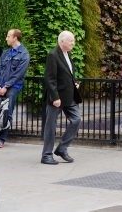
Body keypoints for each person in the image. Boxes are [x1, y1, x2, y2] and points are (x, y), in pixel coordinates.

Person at [0, 28, 30, 148]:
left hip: (12, 87)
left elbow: (19, 74)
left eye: (9, 36)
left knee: (6, 112)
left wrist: (6, 86)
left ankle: (1, 139)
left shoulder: (24, 54)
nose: (6, 38)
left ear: (15, 38)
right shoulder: (6, 52)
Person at [41, 30, 81, 165]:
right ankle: (46, 155)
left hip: (69, 95)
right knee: (50, 126)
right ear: (62, 41)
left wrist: (74, 82)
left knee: (76, 119)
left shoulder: (68, 54)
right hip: (57, 97)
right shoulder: (53, 55)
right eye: (71, 40)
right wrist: (55, 97)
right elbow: (49, 78)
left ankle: (62, 148)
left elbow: (67, 73)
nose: (73, 43)